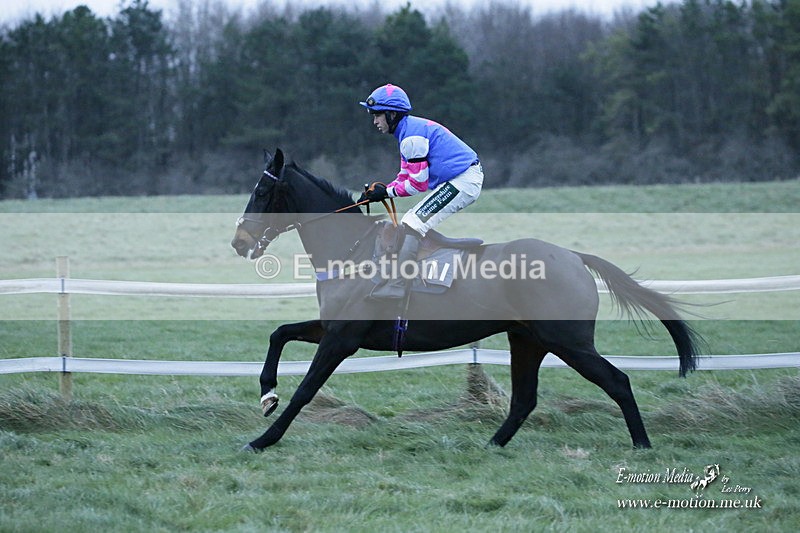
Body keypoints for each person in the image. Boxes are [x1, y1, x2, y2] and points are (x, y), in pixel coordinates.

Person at [358, 83, 484, 299]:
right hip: (459, 178)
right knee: (411, 221)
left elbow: (417, 185)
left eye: (377, 115)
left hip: (464, 180)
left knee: (413, 223)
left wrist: (386, 194)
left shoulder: (411, 139)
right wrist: (380, 191)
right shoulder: (407, 132)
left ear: (392, 114)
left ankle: (397, 285)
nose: (375, 121)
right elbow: (404, 176)